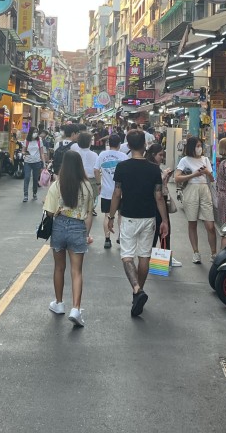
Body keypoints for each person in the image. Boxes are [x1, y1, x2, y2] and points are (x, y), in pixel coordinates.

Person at [107, 130, 169, 317]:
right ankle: (138, 292)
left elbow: (117, 193)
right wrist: (164, 220)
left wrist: (110, 217)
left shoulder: (122, 167)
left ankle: (137, 289)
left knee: (127, 256)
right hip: (149, 218)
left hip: (129, 217)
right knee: (144, 257)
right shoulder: (153, 169)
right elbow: (159, 196)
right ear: (144, 145)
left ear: (128, 144)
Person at [43, 152, 96, 327]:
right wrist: (86, 234)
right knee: (77, 271)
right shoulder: (88, 187)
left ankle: (59, 304)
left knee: (59, 267)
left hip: (59, 227)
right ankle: (76, 308)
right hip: (77, 227)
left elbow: (49, 212)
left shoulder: (57, 185)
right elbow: (89, 214)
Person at [174, 136, 217, 264]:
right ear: (192, 147)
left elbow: (212, 179)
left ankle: (214, 253)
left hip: (204, 190)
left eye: (200, 146)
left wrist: (207, 173)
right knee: (192, 222)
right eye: (197, 146)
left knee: (210, 225)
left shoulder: (205, 159)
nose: (199, 148)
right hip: (191, 190)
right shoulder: (184, 160)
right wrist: (194, 175)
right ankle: (196, 252)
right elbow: (176, 178)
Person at [146, 143, 181, 267]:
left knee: (157, 231)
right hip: (157, 203)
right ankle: (164, 258)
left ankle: (162, 256)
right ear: (153, 155)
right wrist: (163, 177)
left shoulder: (154, 167)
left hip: (156, 202)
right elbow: (156, 188)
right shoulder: (153, 169)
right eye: (160, 155)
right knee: (162, 229)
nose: (162, 157)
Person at [95, 134, 127, 249]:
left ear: (108, 143)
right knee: (120, 215)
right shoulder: (123, 156)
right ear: (119, 144)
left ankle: (107, 239)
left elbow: (96, 169)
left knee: (107, 215)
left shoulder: (102, 155)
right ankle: (120, 237)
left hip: (107, 191)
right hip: (121, 191)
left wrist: (99, 184)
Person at [21, 128, 46, 203]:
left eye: (36, 132)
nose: (35, 133)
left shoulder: (39, 141)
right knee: (27, 177)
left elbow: (42, 153)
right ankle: (25, 195)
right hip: (27, 162)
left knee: (35, 179)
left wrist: (44, 163)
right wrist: (26, 153)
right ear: (30, 132)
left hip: (37, 162)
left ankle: (34, 193)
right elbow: (23, 151)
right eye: (34, 132)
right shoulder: (27, 141)